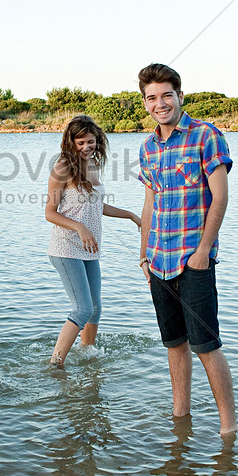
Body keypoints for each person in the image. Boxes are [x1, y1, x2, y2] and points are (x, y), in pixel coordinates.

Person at [137, 63, 237, 436]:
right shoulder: (148, 147)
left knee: (206, 346)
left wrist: (203, 252)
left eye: (166, 95)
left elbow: (221, 197)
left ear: (180, 95)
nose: (159, 103)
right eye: (151, 98)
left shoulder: (206, 136)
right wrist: (144, 255)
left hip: (193, 260)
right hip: (158, 262)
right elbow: (150, 204)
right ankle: (181, 419)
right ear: (145, 103)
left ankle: (229, 431)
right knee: (174, 345)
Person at [44, 115, 141, 367]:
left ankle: (87, 355)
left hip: (89, 249)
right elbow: (50, 213)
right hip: (65, 248)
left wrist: (130, 215)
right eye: (81, 143)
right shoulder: (62, 168)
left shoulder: (93, 165)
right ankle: (55, 364)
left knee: (95, 309)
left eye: (91, 142)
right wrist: (79, 227)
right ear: (70, 142)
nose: (87, 147)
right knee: (82, 309)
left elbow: (97, 205)